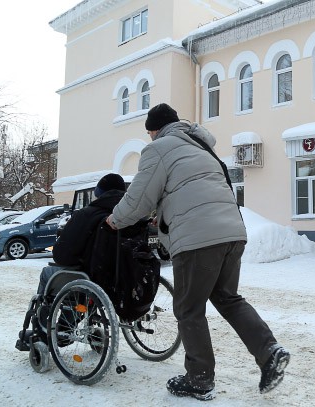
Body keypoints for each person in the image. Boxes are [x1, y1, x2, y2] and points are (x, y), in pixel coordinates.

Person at [106, 103, 290, 401]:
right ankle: (269, 351)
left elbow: (138, 198)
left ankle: (199, 378)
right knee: (228, 299)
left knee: (189, 308)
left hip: (198, 240)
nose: (150, 137)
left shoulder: (159, 149)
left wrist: (115, 219)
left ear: (154, 129)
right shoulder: (200, 144)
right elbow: (189, 191)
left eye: (150, 132)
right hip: (232, 232)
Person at [36, 173, 127, 294]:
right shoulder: (131, 216)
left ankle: (42, 310)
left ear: (99, 193)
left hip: (90, 277)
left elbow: (61, 255)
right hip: (124, 277)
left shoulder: (85, 215)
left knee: (46, 273)